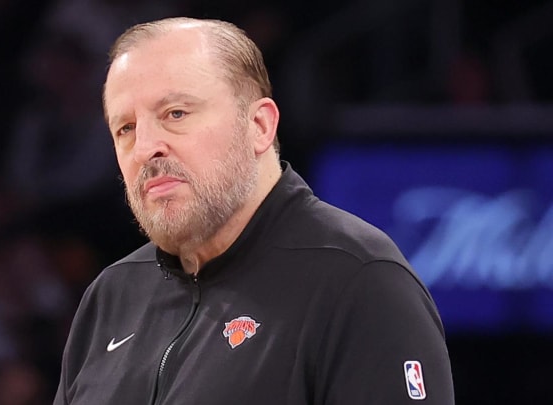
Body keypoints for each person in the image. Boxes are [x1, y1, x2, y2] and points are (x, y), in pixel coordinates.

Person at [53, 17, 455, 405]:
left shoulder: (359, 281)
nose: (144, 148)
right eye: (125, 128)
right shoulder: (111, 296)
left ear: (260, 126)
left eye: (175, 114)